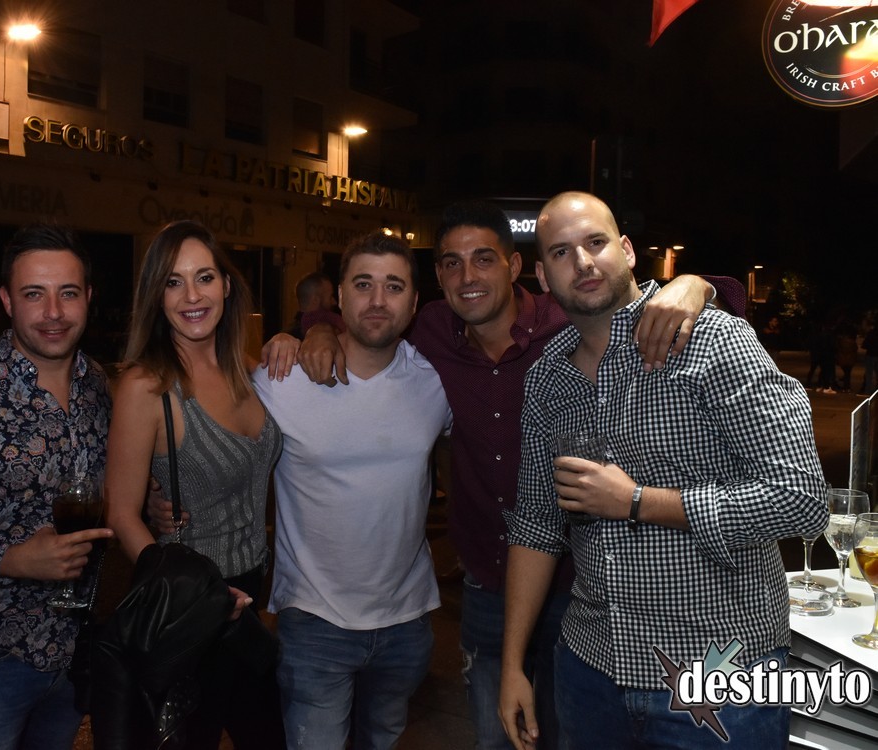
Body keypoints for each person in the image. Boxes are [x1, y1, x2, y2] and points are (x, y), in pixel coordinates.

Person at [276, 200, 725, 750]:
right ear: (437, 279)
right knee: (497, 737)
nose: (468, 277)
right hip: (488, 584)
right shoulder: (431, 333)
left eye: (484, 259)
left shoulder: (566, 322)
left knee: (569, 734)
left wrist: (696, 285)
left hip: (582, 585)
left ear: (515, 268)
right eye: (452, 263)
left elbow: (650, 303)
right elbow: (369, 316)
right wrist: (317, 327)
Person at [498, 191, 826, 749]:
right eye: (561, 252)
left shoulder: (713, 341)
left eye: (596, 242)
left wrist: (637, 501)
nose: (583, 262)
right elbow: (536, 525)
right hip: (589, 668)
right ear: (542, 276)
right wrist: (511, 665)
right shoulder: (547, 378)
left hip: (720, 670)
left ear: (626, 250)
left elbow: (801, 499)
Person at [254, 232, 452, 749]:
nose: (378, 300)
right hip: (314, 620)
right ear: (339, 296)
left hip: (407, 620)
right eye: (363, 285)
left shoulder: (435, 382)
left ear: (414, 302)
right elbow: (217, 442)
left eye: (394, 286)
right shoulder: (281, 379)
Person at [0, 224, 113, 750]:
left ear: (88, 297)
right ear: (7, 301)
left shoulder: (99, 385)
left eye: (68, 293)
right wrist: (10, 560)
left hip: (72, 650)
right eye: (34, 294)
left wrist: (149, 498)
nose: (53, 312)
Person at [104, 219, 285, 748]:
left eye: (204, 277)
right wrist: (194, 592)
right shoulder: (147, 386)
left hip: (252, 598)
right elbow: (120, 514)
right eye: (173, 282)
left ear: (226, 285)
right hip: (189, 613)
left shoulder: (248, 370)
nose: (191, 296)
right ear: (156, 296)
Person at [286, 271, 343, 339]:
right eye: (330, 297)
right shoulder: (332, 333)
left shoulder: (289, 335)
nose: (335, 302)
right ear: (315, 300)